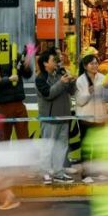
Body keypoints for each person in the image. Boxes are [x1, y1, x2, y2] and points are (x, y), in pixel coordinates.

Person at [35, 49, 75, 185]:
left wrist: (71, 81)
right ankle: (45, 172)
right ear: (45, 63)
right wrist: (62, 82)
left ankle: (59, 172)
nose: (57, 62)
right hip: (49, 119)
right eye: (54, 60)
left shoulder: (61, 73)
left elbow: (72, 91)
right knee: (47, 147)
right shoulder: (41, 78)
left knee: (61, 148)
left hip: (64, 117)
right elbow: (48, 94)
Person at [0, 48, 32, 141]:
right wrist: (9, 79)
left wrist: (26, 67)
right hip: (4, 105)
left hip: (16, 103)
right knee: (7, 141)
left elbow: (27, 74)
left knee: (22, 140)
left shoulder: (16, 55)